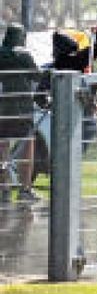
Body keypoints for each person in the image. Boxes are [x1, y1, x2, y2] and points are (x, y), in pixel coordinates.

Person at [0, 24, 41, 202]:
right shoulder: (23, 54)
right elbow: (37, 76)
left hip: (2, 108)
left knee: (3, 148)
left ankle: (4, 187)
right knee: (27, 146)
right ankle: (25, 189)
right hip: (22, 109)